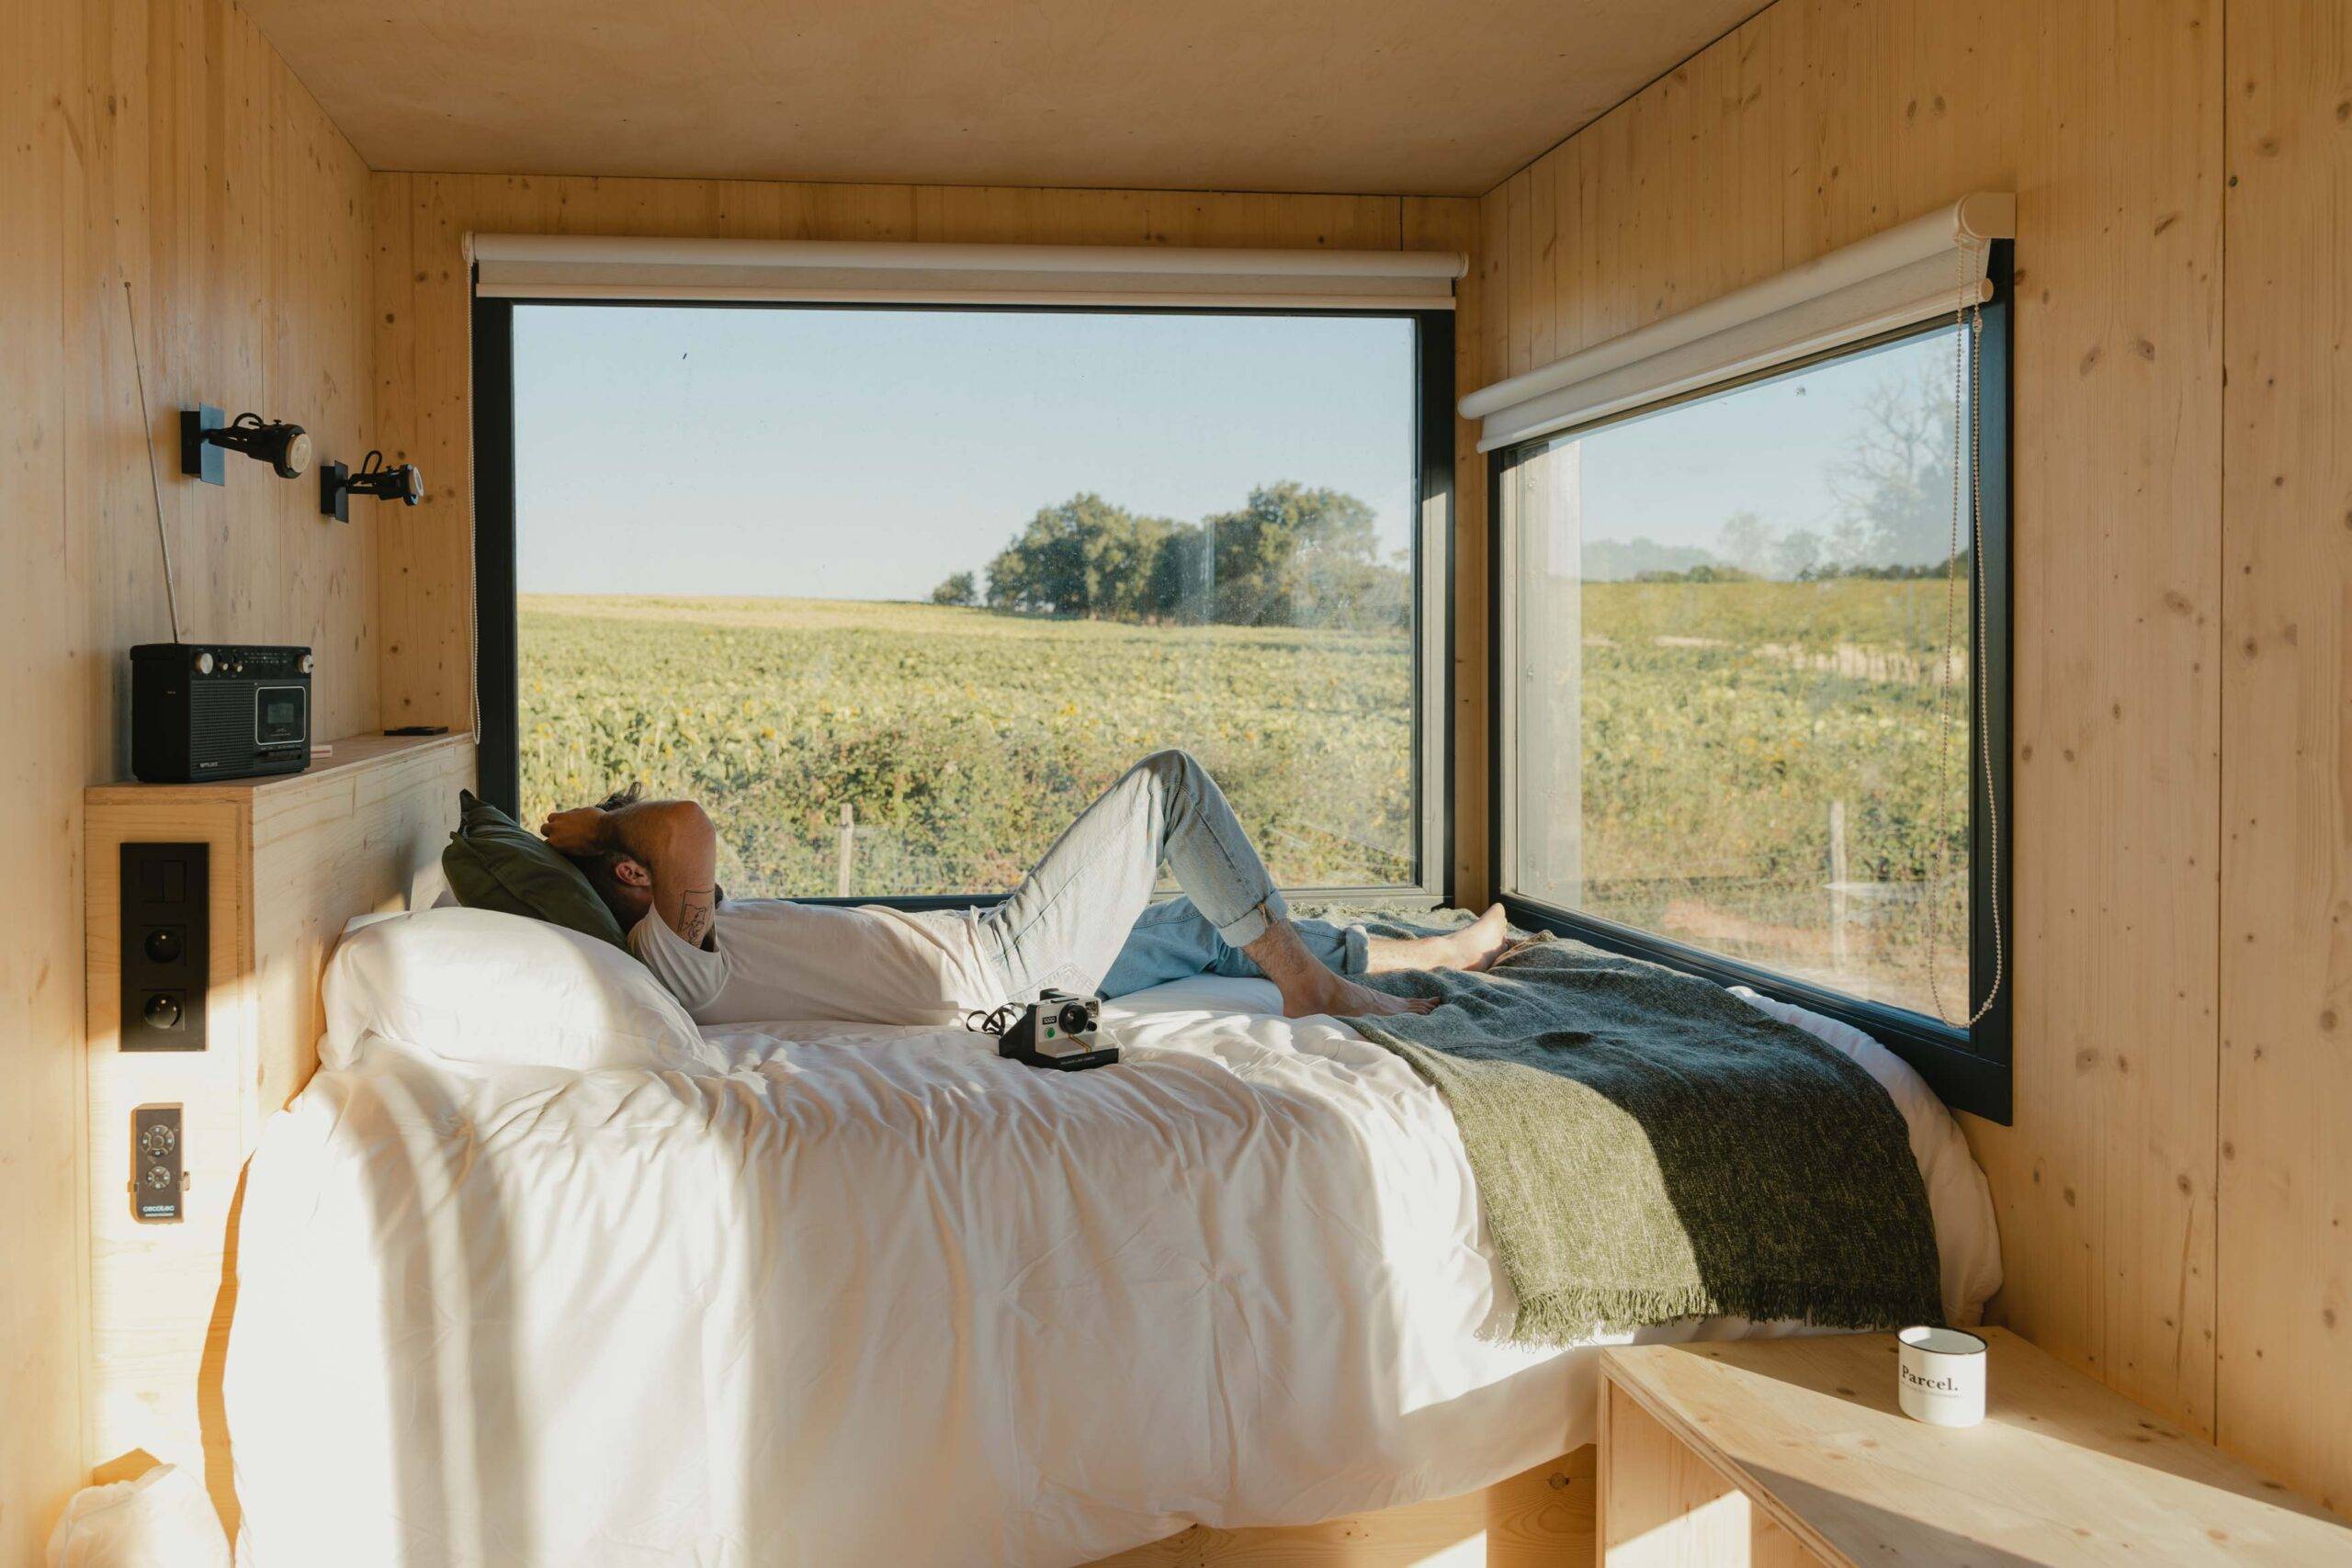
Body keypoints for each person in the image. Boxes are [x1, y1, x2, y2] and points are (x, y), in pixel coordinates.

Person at [541, 749, 1510, 1029]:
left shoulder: (693, 946)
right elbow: (684, 826)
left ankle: (1427, 952)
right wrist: (579, 827)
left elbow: (676, 841)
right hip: (1001, 967)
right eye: (631, 854)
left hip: (987, 952)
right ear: (632, 875)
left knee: (1187, 921)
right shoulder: (667, 955)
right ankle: (1317, 987)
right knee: (1166, 786)